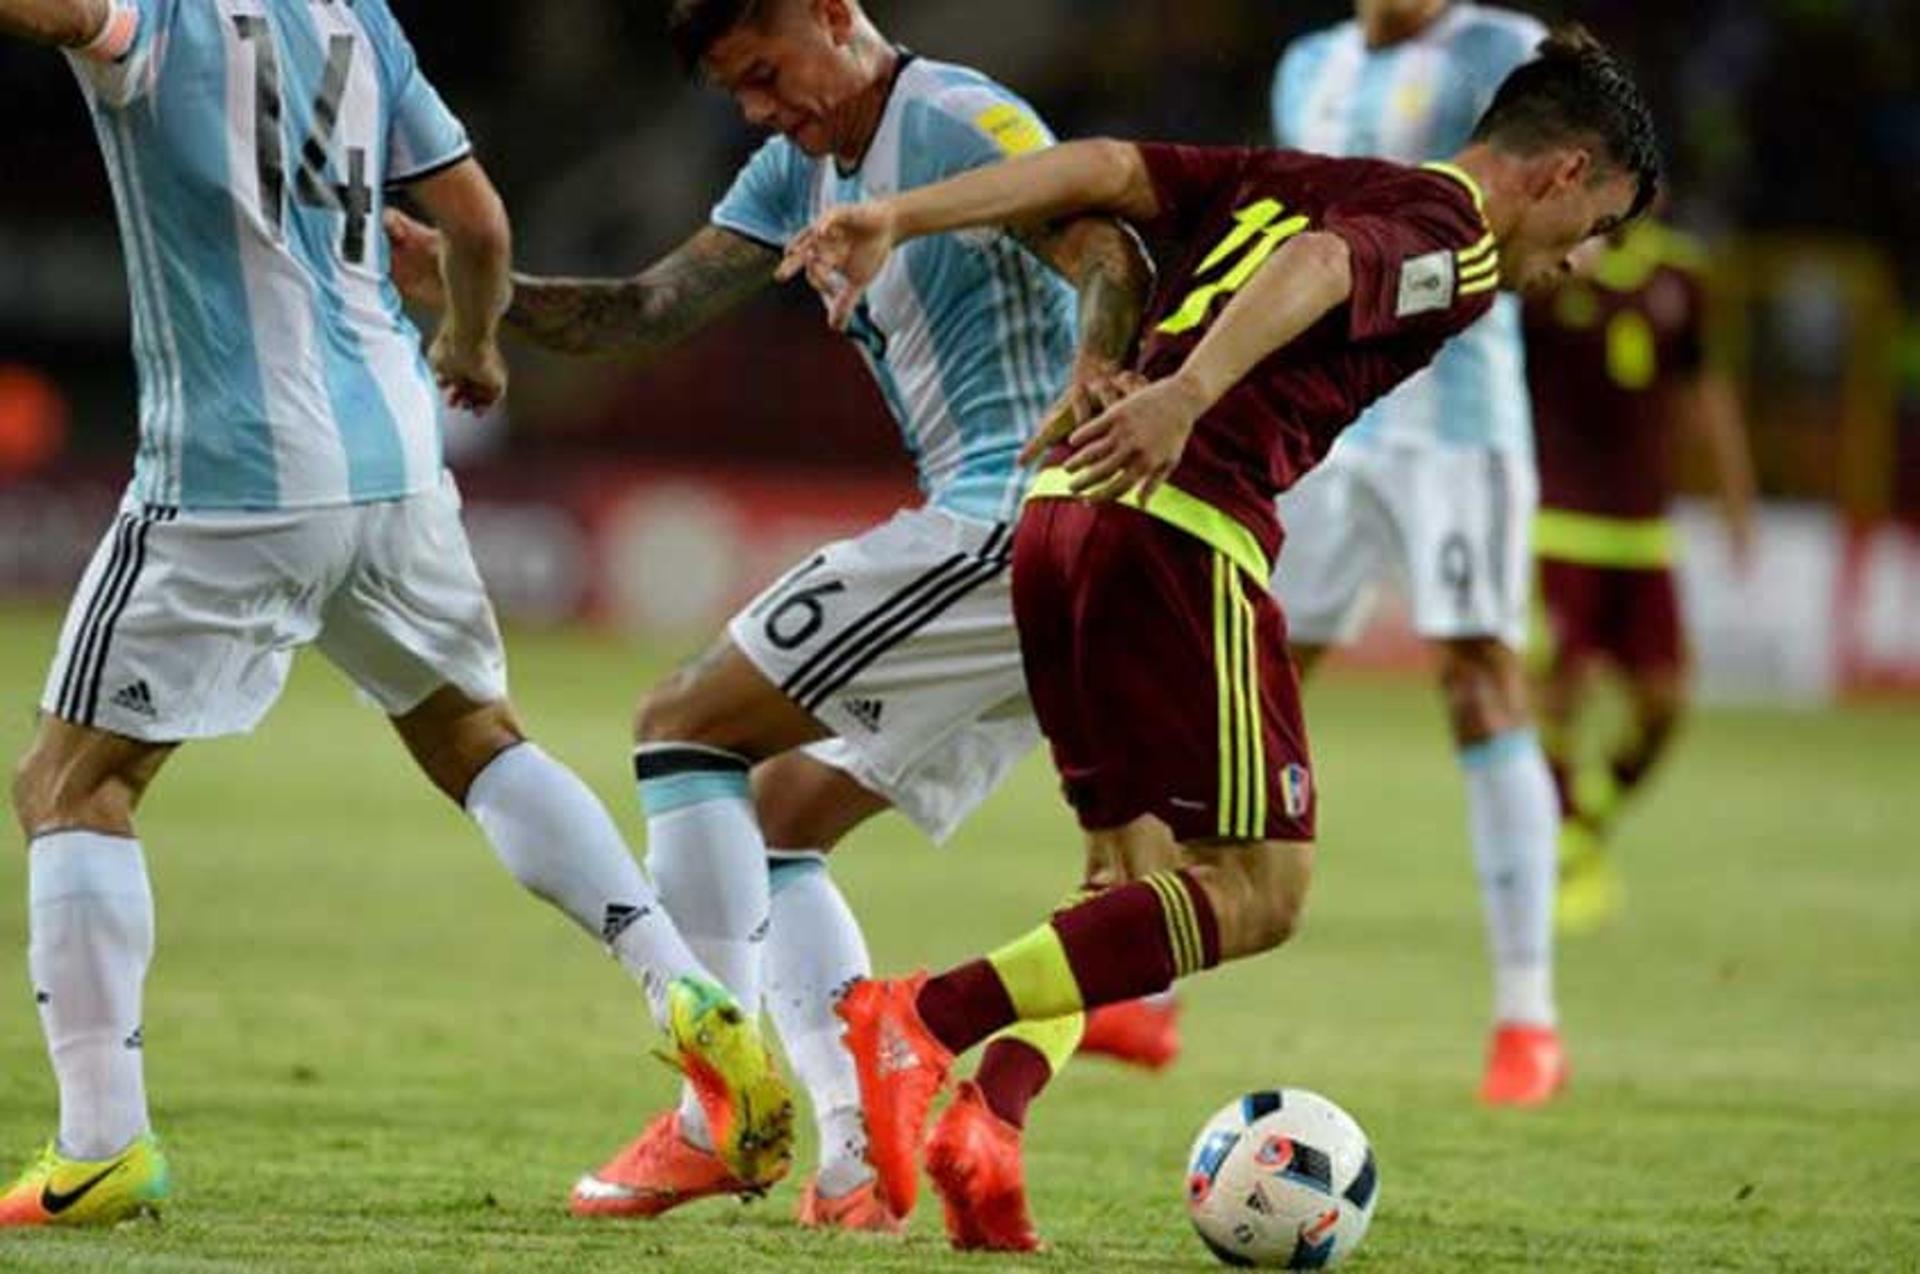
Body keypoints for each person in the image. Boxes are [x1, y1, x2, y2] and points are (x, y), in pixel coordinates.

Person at [780, 26, 1658, 1226]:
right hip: (1177, 526)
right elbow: (1318, 267)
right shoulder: (1452, 240)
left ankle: (992, 1127)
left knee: (1128, 882)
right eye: (1597, 224)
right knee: (1259, 893)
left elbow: (1093, 165)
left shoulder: (1314, 170)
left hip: (1059, 521)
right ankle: (924, 1018)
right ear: (1562, 174)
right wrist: (1189, 394)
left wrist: (901, 214)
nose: (1578, 262)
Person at [0, 0, 789, 1228]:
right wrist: (473, 340)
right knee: (478, 738)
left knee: (68, 783)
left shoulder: (158, 13)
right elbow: (476, 217)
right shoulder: (360, 17)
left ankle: (102, 1143)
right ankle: (681, 981)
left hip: (234, 470)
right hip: (396, 456)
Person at [385, 0, 1155, 1234]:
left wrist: (1089, 385)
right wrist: (479, 286)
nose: (758, 106)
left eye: (765, 71)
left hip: (1013, 522)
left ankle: (716, 1111)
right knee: (780, 815)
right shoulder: (796, 168)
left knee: (683, 727)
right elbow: (645, 312)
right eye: (736, 91)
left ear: (833, 15)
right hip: (1039, 555)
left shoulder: (957, 121)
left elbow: (1112, 248)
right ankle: (857, 1153)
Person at [1269, 0, 1573, 1106]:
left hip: (1456, 423)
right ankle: (1152, 992)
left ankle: (1527, 1016)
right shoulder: (1307, 62)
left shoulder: (1504, 49)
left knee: (1480, 682)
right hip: (1325, 419)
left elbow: (1582, 194)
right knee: (1257, 675)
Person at [1523, 219, 1755, 931]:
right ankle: (1560, 846)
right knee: (1560, 690)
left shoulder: (1680, 276)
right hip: (1559, 522)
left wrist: (1735, 491)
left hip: (1646, 532)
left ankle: (1588, 814)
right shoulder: (1545, 267)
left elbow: (1704, 388)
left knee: (1664, 702)